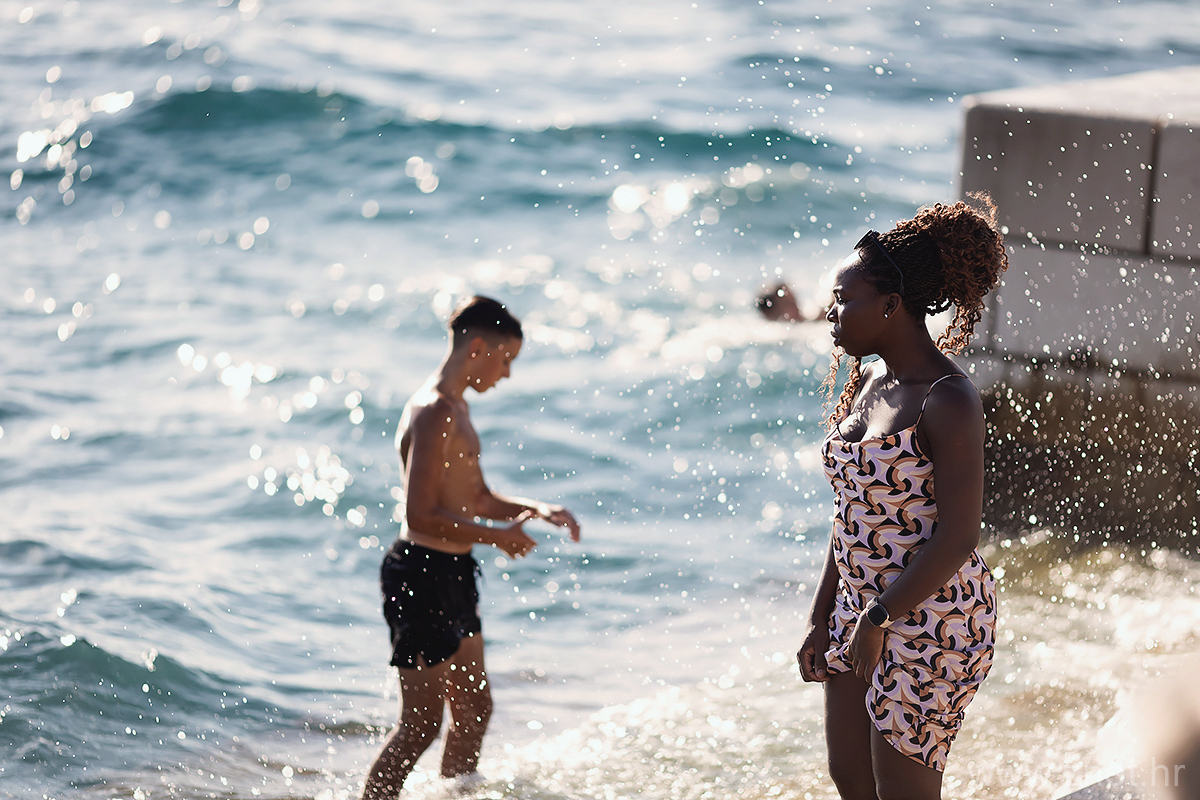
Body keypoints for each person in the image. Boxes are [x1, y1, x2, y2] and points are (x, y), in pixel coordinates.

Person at [796, 195, 1008, 799]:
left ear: (890, 305)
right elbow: (852, 515)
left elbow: (959, 536)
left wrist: (879, 617)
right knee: (850, 777)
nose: (831, 311)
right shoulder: (867, 382)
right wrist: (820, 617)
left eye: (843, 298)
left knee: (902, 791)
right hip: (858, 609)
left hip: (933, 617)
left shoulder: (949, 398)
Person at [362, 295, 580, 799]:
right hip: (420, 572)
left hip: (453, 571)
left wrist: (536, 509)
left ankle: (455, 795)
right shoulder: (433, 411)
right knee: (420, 725)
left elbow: (477, 498)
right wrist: (499, 538)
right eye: (506, 359)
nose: (506, 374)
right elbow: (420, 515)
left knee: (475, 709)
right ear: (478, 348)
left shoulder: (456, 408)